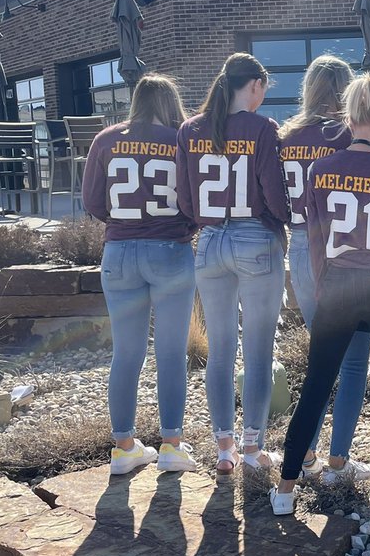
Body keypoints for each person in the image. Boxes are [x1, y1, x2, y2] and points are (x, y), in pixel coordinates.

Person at [271, 74, 370, 517]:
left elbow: (318, 244)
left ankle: (285, 491)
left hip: (339, 285)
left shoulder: (320, 170)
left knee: (315, 387)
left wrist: (326, 290)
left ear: (349, 119)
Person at [176, 52, 290, 474]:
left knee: (220, 351)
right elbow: (275, 195)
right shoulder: (262, 128)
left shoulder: (191, 129)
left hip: (209, 241)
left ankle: (223, 447)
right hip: (254, 237)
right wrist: (284, 220)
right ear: (256, 86)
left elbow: (185, 198)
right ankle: (253, 449)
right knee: (258, 351)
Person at [82, 74, 199, 475]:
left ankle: (124, 447)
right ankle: (171, 445)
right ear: (170, 104)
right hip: (170, 250)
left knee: (126, 354)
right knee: (170, 354)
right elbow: (194, 200)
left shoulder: (106, 138)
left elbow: (92, 202)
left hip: (119, 252)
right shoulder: (180, 140)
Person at [279, 55, 370, 484]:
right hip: (344, 251)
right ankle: (338, 461)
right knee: (353, 362)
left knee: (321, 359)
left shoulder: (287, 136)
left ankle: (305, 454)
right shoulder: (346, 136)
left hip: (300, 247)